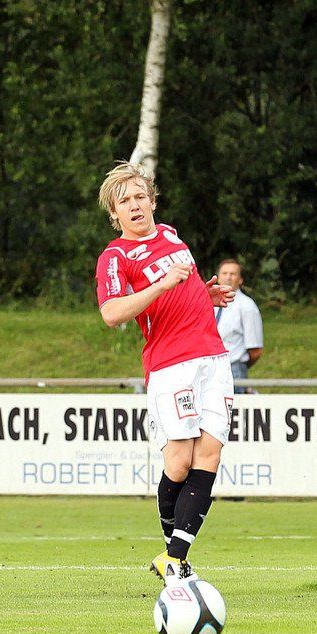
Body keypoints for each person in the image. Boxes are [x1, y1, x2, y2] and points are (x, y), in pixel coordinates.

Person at [94, 161, 235, 586]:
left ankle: (174, 558)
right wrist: (160, 286)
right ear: (115, 213)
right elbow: (111, 313)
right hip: (171, 365)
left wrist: (203, 295)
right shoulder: (115, 257)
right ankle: (173, 557)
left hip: (213, 357)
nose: (134, 205)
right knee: (179, 461)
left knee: (210, 455)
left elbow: (181, 291)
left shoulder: (172, 235)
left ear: (152, 201)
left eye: (140, 196)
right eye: (125, 201)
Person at [215, 259, 264, 394]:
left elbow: (255, 351)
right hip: (210, 369)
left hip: (234, 370)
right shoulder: (209, 304)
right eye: (224, 273)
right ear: (218, 277)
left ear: (240, 280)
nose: (228, 277)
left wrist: (239, 366)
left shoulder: (247, 306)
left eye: (233, 274)